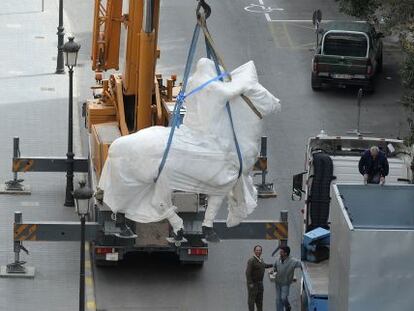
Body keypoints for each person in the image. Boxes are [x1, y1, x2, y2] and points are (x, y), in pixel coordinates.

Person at [273, 246, 302, 311]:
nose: (280, 252)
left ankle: (287, 306)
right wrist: (274, 271)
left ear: (286, 253)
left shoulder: (293, 261)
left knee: (283, 298)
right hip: (277, 282)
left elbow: (301, 263)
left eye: (281, 251)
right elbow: (274, 267)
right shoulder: (278, 259)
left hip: (285, 283)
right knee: (278, 300)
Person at [246, 245, 273, 311]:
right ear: (254, 251)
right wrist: (250, 283)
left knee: (259, 301)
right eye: (257, 250)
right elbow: (247, 273)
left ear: (261, 251)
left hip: (260, 284)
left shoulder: (260, 260)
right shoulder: (251, 260)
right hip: (253, 284)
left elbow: (264, 265)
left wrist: (273, 264)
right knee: (251, 301)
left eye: (259, 250)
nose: (258, 251)